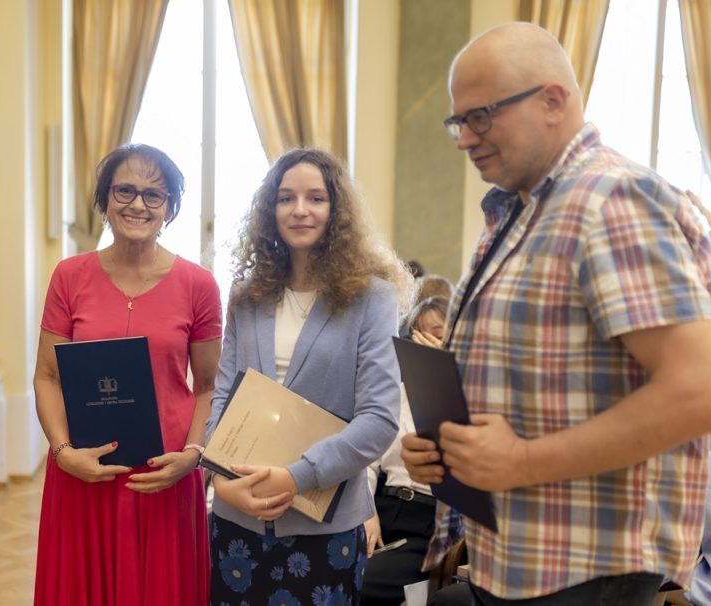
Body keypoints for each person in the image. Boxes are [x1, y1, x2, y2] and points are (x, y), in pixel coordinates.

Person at [401, 22, 711, 605]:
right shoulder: (522, 213)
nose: (464, 139)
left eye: (481, 116)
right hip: (523, 559)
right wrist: (449, 451)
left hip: (587, 569)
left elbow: (699, 388)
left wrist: (521, 460)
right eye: (458, 121)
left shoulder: (610, 200)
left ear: (553, 100)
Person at [207, 148, 412, 605]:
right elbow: (222, 396)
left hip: (324, 527)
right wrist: (220, 479)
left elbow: (378, 419)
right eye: (286, 198)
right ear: (270, 210)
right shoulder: (247, 295)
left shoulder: (373, 298)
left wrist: (296, 476)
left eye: (315, 198)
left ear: (336, 209)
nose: (300, 209)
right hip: (235, 517)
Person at [32, 143, 221, 605]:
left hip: (165, 472)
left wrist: (194, 455)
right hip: (84, 469)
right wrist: (61, 452)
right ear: (104, 199)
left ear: (171, 207)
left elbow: (210, 386)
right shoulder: (69, 276)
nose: (138, 204)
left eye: (154, 195)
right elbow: (46, 376)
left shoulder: (199, 285)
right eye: (125, 190)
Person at [362, 297, 452, 605]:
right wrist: (367, 514)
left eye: (437, 334)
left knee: (358, 580)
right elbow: (369, 463)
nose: (426, 343)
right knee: (326, 564)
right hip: (382, 506)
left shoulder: (467, 396)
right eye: (418, 335)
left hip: (428, 522)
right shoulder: (394, 393)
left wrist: (443, 378)